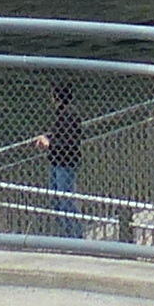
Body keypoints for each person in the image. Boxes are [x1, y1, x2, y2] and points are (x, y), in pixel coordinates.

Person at [45, 80, 87, 239]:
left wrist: (49, 143)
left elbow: (68, 142)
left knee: (66, 201)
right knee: (57, 201)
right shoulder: (62, 114)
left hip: (65, 163)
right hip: (57, 162)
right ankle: (64, 235)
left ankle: (75, 236)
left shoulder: (70, 115)